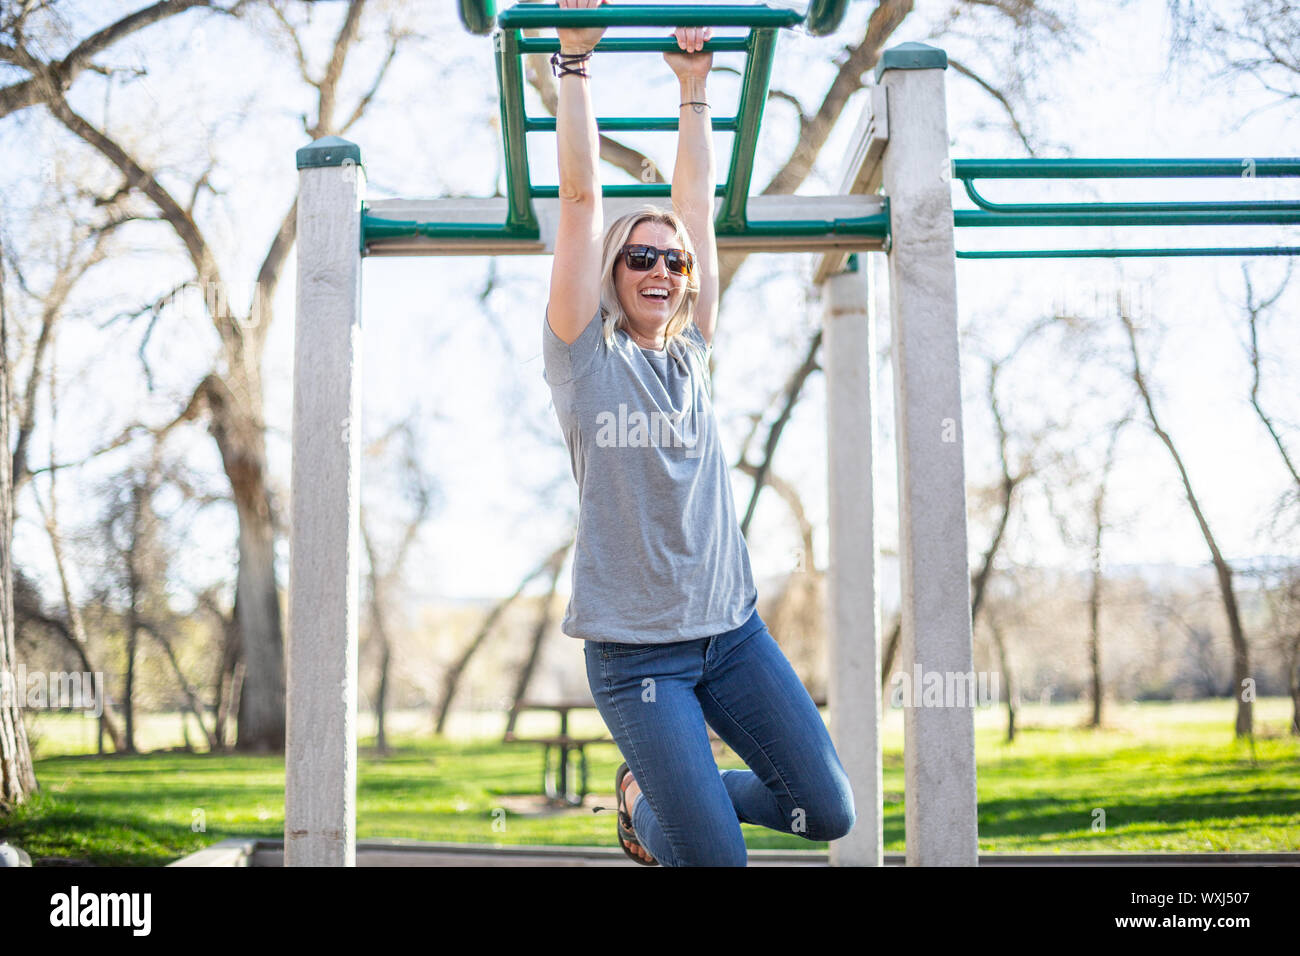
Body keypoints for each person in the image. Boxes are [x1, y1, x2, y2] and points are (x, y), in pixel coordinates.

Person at [540, 0, 855, 867]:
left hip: (733, 635)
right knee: (718, 861)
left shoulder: (694, 355)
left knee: (824, 811)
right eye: (640, 255)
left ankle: (655, 796)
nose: (664, 268)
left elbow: (696, 211)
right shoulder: (584, 357)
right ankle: (660, 811)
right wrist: (575, 64)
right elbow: (578, 200)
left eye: (673, 262)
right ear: (612, 272)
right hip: (639, 659)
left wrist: (693, 88)